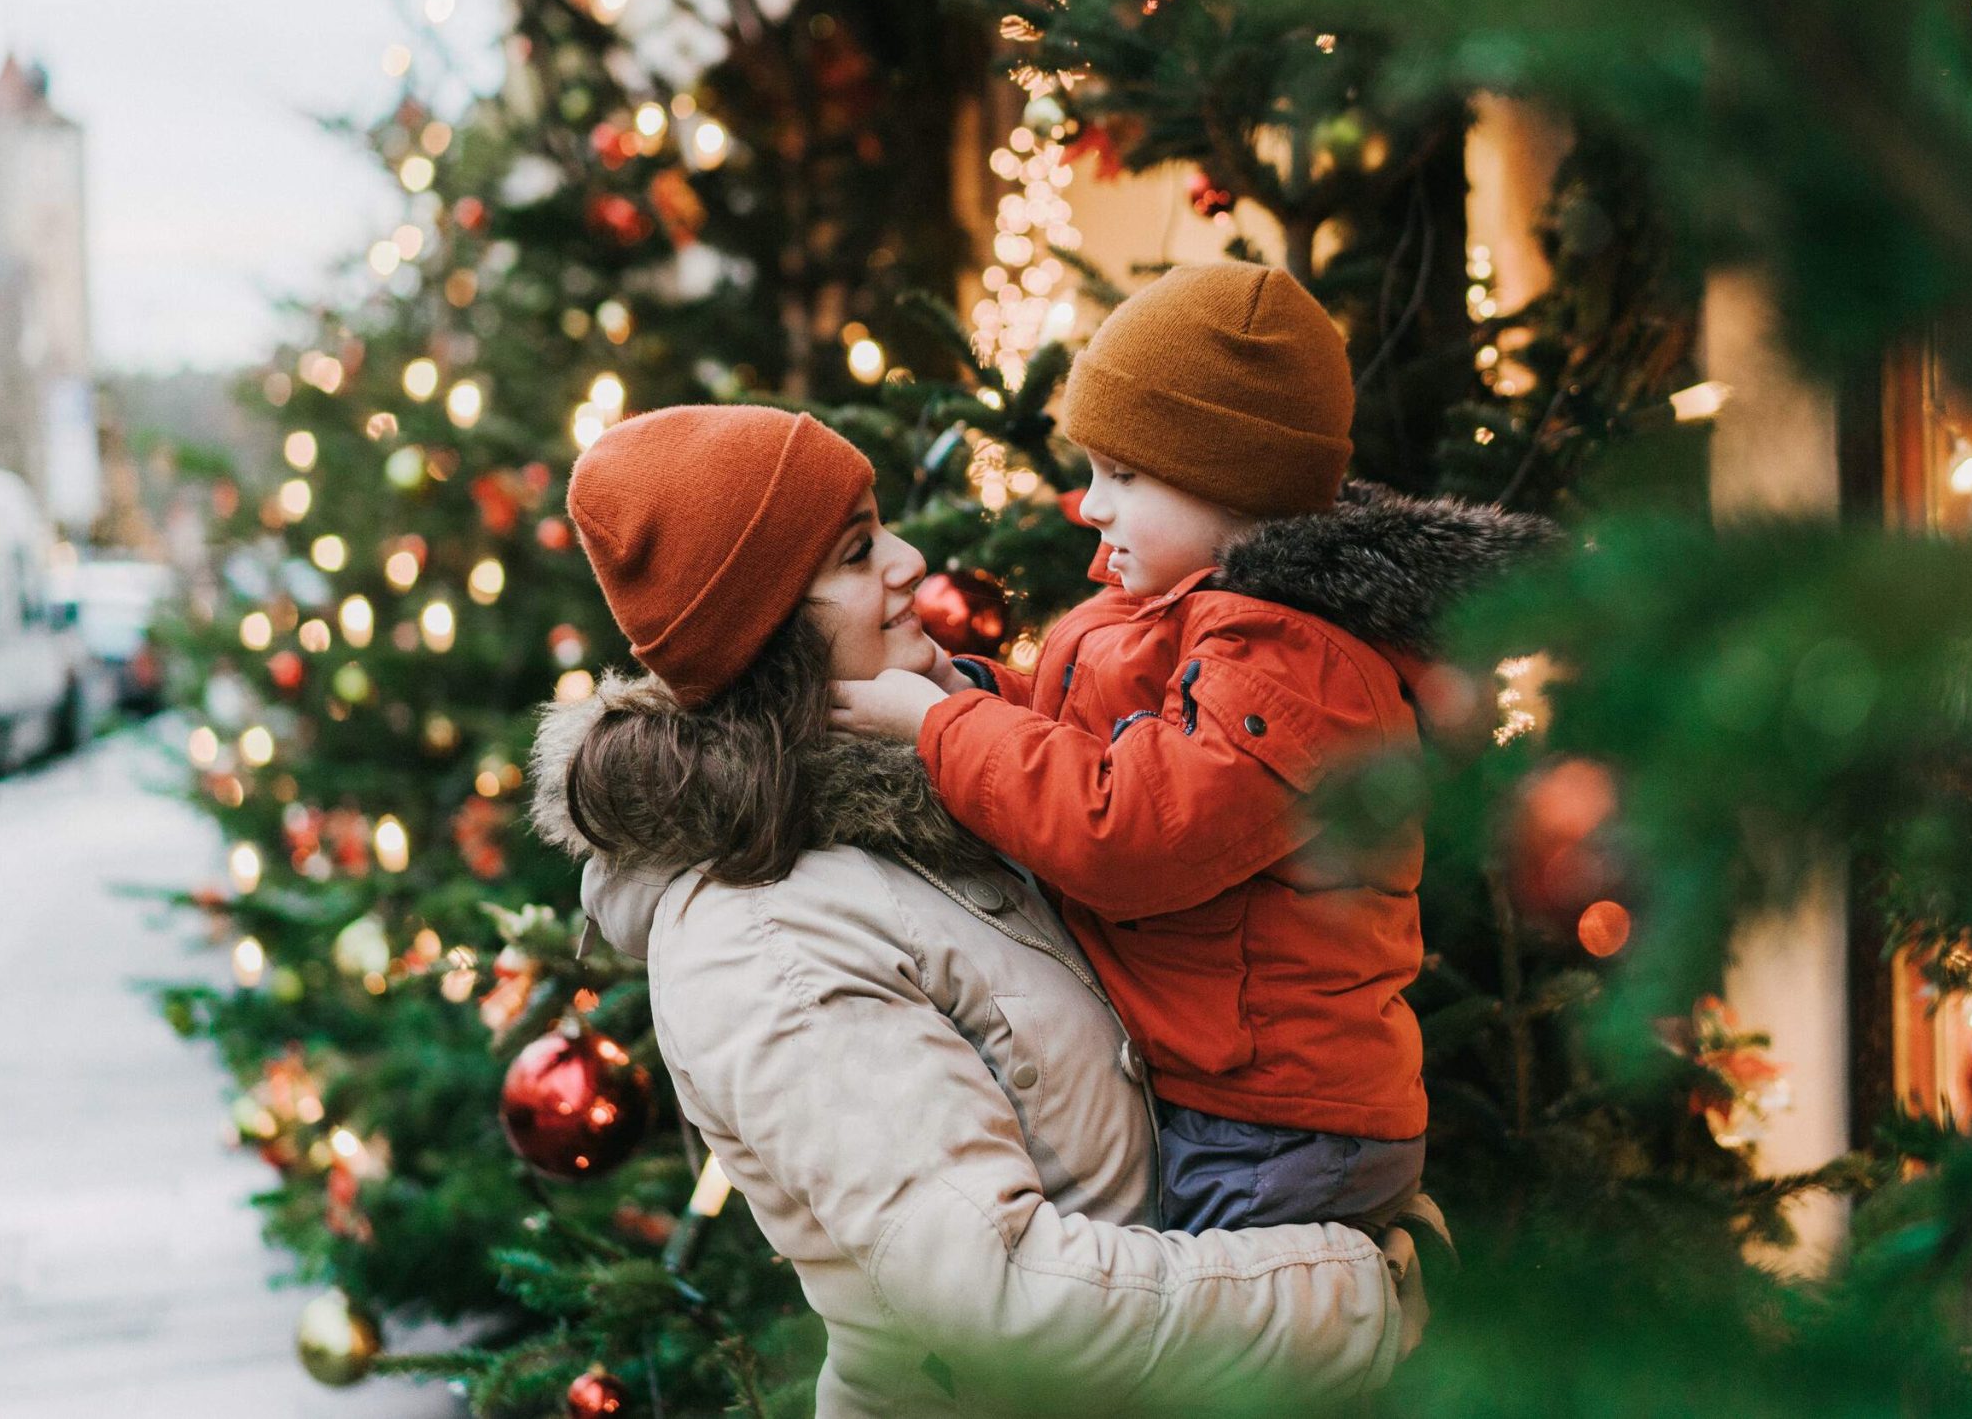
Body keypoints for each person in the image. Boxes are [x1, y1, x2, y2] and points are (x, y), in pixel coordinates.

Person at [530, 402, 1422, 1419]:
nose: (911, 561)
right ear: (766, 633)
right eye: (860, 552)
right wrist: (1356, 1293)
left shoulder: (940, 799)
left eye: (881, 526)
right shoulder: (762, 940)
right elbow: (997, 1299)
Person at [832, 263, 1550, 1234]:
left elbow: (1128, 831)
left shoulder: (1289, 660)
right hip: (1228, 1102)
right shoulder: (1186, 619)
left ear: (1234, 483)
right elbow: (1079, 743)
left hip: (1279, 1126)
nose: (1090, 505)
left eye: (1123, 477)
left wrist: (936, 727)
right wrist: (963, 693)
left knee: (1221, 1363)